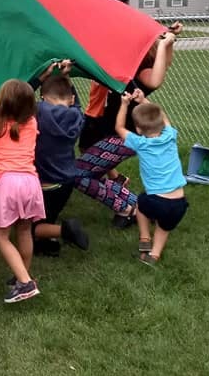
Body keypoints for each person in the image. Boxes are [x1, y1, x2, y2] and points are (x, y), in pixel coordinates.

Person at [74, 22, 184, 225]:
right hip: (114, 133)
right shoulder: (130, 66)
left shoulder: (142, 71)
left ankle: (125, 209)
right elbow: (165, 63)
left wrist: (164, 43)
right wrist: (169, 39)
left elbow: (157, 78)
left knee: (77, 174)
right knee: (92, 172)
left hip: (123, 137)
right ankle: (143, 208)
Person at [0, 79, 45, 304]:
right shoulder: (32, 122)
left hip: (8, 183)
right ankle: (22, 274)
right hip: (31, 181)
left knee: (0, 235)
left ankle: (25, 283)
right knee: (24, 230)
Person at [115, 90, 188, 265]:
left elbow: (119, 128)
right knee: (164, 228)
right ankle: (153, 256)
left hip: (156, 200)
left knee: (140, 204)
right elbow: (163, 118)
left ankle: (145, 237)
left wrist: (124, 104)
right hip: (179, 203)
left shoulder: (141, 143)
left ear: (139, 130)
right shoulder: (170, 136)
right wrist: (144, 100)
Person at [32, 70, 89, 253]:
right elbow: (77, 105)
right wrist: (67, 78)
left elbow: (20, 94)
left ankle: (65, 231)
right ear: (71, 98)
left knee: (33, 227)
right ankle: (46, 244)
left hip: (46, 182)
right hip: (67, 181)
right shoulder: (76, 116)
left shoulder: (40, 111)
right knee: (49, 216)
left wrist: (40, 78)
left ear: (42, 97)